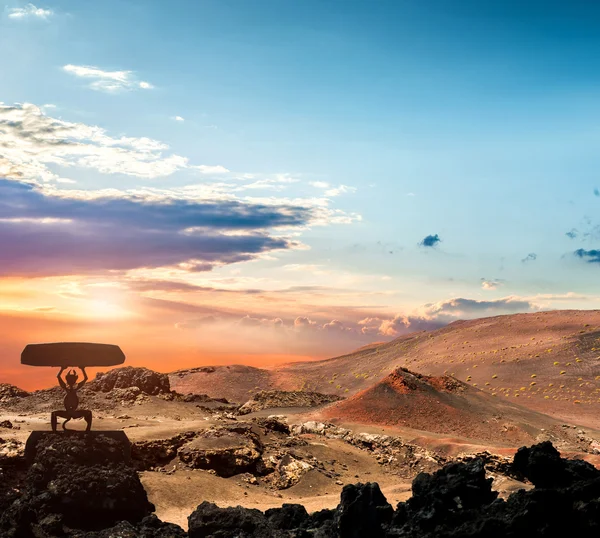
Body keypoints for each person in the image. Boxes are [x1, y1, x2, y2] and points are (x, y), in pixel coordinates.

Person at [51, 366, 92, 432]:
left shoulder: (75, 387)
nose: (71, 381)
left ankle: (87, 431)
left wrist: (62, 369)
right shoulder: (67, 387)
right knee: (53, 414)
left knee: (89, 413)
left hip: (74, 412)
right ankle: (54, 432)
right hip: (68, 412)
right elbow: (58, 376)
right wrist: (82, 369)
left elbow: (85, 379)